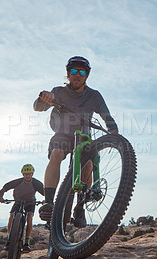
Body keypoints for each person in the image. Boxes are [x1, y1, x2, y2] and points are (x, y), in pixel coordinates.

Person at [33, 56, 118, 228]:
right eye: (73, 72)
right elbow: (38, 107)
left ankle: (80, 209)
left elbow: (107, 117)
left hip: (84, 136)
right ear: (68, 74)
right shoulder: (58, 91)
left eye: (81, 72)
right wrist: (44, 98)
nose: (77, 75)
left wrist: (115, 135)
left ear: (86, 76)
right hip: (63, 133)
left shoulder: (94, 96)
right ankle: (48, 201)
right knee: (56, 154)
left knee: (87, 163)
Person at [0, 164, 44, 252]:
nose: (27, 176)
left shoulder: (36, 183)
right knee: (12, 216)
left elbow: (45, 193)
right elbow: (4, 188)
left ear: (32, 174)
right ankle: (9, 240)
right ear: (23, 174)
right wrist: (0, 197)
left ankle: (27, 243)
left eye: (29, 174)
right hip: (18, 202)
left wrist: (46, 200)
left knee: (29, 217)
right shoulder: (17, 182)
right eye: (26, 174)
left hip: (30, 202)